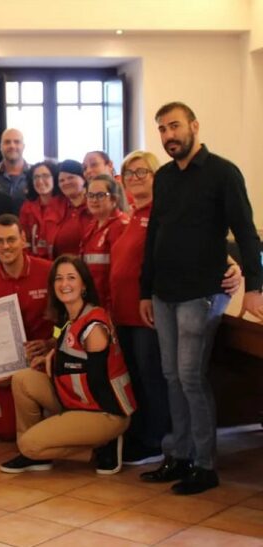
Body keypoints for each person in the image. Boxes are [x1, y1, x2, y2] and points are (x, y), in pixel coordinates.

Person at [139, 102, 263, 495]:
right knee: (173, 376)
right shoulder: (163, 177)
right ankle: (178, 456)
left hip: (202, 294)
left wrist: (256, 288)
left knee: (191, 377)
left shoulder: (223, 173)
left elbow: (246, 231)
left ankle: (205, 465)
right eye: (161, 129)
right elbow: (153, 235)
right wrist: (146, 289)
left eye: (174, 126)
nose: (168, 135)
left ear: (194, 125)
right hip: (164, 293)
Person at [112, 151, 242, 466]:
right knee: (157, 378)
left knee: (175, 378)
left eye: (142, 171)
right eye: (129, 173)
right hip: (140, 307)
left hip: (166, 308)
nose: (134, 178)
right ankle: (168, 446)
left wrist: (233, 265)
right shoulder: (133, 214)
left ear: (159, 175)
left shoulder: (167, 209)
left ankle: (179, 450)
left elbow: (202, 242)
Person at [0, 255, 137, 475]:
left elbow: (97, 382)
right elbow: (63, 340)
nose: (64, 284)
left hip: (104, 411)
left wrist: (55, 366)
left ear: (84, 285)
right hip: (76, 399)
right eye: (59, 279)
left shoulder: (94, 327)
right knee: (23, 378)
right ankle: (36, 456)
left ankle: (101, 448)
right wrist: (49, 352)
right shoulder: (67, 316)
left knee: (29, 444)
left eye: (71, 278)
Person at [0, 214, 54, 440]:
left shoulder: (49, 272)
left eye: (11, 239)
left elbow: (68, 321)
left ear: (23, 239)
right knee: (6, 431)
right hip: (7, 370)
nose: (5, 246)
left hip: (47, 362)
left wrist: (51, 343)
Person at [79, 174, 129, 310]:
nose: (94, 200)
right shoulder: (92, 225)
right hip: (94, 301)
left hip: (112, 306)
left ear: (114, 199)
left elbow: (118, 275)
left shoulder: (120, 227)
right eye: (90, 195)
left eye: (100, 195)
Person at [19, 160, 65, 259]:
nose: (40, 181)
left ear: (55, 178)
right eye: (36, 177)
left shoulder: (65, 204)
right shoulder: (27, 208)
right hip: (35, 263)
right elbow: (24, 240)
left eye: (45, 176)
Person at [52, 159, 92, 257]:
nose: (66, 182)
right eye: (61, 180)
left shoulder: (94, 204)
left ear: (83, 179)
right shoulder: (56, 208)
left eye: (70, 178)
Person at [0, 128, 30, 210]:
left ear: (23, 146)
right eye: (7, 142)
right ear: (0, 147)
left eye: (17, 142)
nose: (12, 146)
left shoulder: (35, 175)